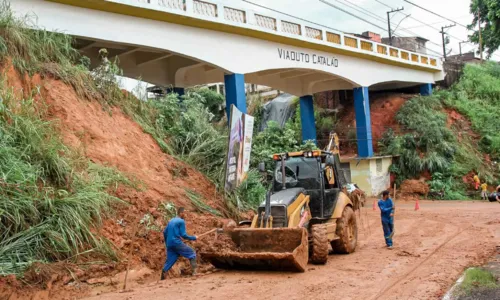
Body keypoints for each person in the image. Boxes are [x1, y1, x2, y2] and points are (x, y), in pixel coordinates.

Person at [161, 207, 198, 280]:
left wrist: (167, 243)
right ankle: (195, 273)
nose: (186, 215)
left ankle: (162, 278)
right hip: (176, 242)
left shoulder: (171, 220)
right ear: (181, 213)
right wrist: (194, 237)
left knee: (171, 259)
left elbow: (165, 232)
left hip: (169, 244)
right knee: (192, 253)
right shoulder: (181, 221)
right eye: (185, 213)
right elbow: (184, 235)